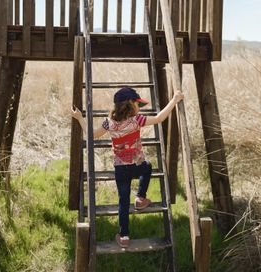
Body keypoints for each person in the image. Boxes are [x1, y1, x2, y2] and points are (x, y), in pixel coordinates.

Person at [71, 86, 184, 248]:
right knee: (148, 167)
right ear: (131, 104)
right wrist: (174, 100)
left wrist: (80, 118)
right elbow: (159, 118)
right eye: (137, 104)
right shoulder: (137, 120)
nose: (139, 107)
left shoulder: (109, 123)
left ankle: (124, 236)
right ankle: (140, 198)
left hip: (121, 169)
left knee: (123, 201)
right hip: (137, 165)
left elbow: (91, 135)